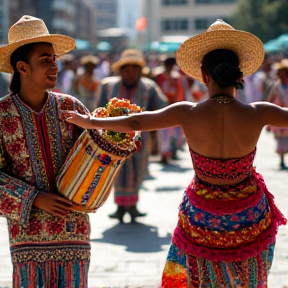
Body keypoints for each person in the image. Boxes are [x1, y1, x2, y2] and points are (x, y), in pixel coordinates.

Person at [64, 19, 287, 287]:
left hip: (203, 217)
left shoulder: (187, 113)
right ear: (239, 74)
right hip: (249, 216)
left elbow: (138, 122)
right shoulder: (259, 112)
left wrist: (90, 122)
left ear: (204, 76)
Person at [0, 15, 91, 287]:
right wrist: (34, 198)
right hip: (27, 237)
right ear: (22, 68)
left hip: (74, 229)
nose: (55, 65)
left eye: (54, 59)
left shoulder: (71, 107)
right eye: (45, 59)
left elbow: (97, 155)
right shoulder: (2, 115)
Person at [96, 49, 167, 222]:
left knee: (139, 169)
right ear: (120, 70)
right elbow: (97, 111)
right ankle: (120, 207)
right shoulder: (108, 86)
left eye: (135, 69)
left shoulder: (149, 87)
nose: (131, 73)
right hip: (113, 140)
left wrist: (156, 137)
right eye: (127, 69)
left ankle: (133, 205)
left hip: (140, 140)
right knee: (117, 171)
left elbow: (162, 110)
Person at [153, 56, 185, 163]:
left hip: (173, 107)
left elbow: (179, 93)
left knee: (172, 132)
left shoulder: (176, 77)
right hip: (161, 107)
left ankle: (170, 152)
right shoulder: (158, 76)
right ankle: (163, 154)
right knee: (162, 132)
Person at [267, 59, 288, 169]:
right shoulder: (276, 86)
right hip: (278, 116)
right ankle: (282, 161)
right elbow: (270, 99)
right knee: (281, 140)